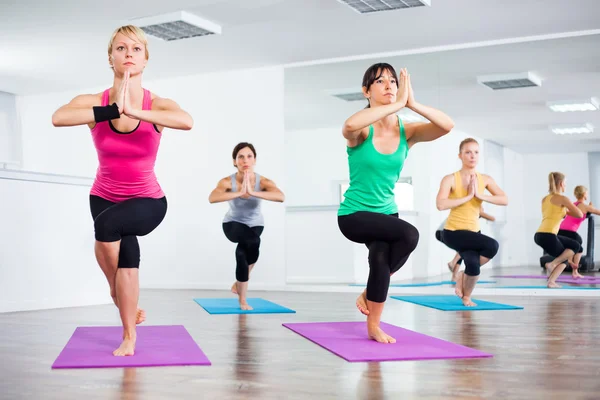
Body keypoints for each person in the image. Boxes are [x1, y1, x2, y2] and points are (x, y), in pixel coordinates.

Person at [51, 25, 193, 356]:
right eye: (121, 48)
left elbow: (187, 121)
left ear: (145, 60)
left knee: (108, 227)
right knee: (127, 257)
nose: (128, 54)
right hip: (103, 196)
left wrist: (136, 112)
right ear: (111, 58)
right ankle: (129, 334)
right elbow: (58, 117)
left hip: (149, 201)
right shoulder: (94, 102)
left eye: (136, 49)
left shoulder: (157, 105)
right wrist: (111, 111)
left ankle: (116, 296)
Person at [338, 63, 454, 343]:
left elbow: (446, 126)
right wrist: (395, 105)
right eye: (380, 82)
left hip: (387, 212)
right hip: (354, 215)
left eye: (393, 80)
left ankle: (373, 325)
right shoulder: (363, 131)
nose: (389, 85)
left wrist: (411, 103)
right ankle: (371, 295)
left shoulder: (407, 131)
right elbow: (349, 126)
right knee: (409, 234)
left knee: (380, 259)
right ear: (367, 91)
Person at [208, 142, 285, 310]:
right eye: (240, 157)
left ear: (255, 160)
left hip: (256, 224)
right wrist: (239, 193)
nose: (245, 160)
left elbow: (280, 196)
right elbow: (212, 198)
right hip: (232, 224)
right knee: (251, 243)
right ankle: (243, 301)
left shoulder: (263, 181)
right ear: (235, 161)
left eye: (249, 156)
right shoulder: (227, 181)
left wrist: (253, 192)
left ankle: (239, 286)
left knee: (245, 252)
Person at [436, 138, 508, 306]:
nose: (472, 156)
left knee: (473, 267)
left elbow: (504, 199)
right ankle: (462, 278)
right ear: (460, 155)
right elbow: (440, 204)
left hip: (474, 232)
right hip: (453, 232)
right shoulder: (450, 179)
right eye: (468, 152)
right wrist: (467, 196)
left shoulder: (485, 179)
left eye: (476, 152)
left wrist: (479, 195)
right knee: (492, 246)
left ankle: (466, 295)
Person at [534, 172, 584, 287]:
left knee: (566, 257)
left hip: (540, 234)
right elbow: (579, 214)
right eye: (565, 183)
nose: (565, 186)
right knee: (576, 246)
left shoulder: (545, 199)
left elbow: (553, 213)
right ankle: (552, 264)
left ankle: (551, 281)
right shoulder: (563, 199)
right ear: (561, 183)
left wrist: (564, 210)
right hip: (548, 234)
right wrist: (567, 209)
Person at [436, 206, 496, 282]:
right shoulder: (468, 213)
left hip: (444, 233)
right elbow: (492, 218)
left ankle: (454, 275)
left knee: (464, 248)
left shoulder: (471, 218)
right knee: (465, 246)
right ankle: (453, 263)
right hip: (443, 233)